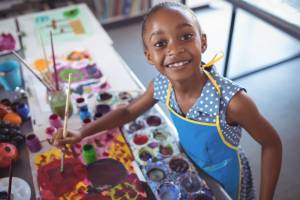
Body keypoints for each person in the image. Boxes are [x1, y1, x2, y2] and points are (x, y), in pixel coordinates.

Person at [53, 2, 282, 200]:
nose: (175, 49)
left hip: (228, 176)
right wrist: (82, 133)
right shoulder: (161, 85)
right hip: (190, 165)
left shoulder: (233, 102)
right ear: (149, 56)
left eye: (186, 36)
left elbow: (272, 144)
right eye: (161, 44)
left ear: (202, 42)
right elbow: (127, 113)